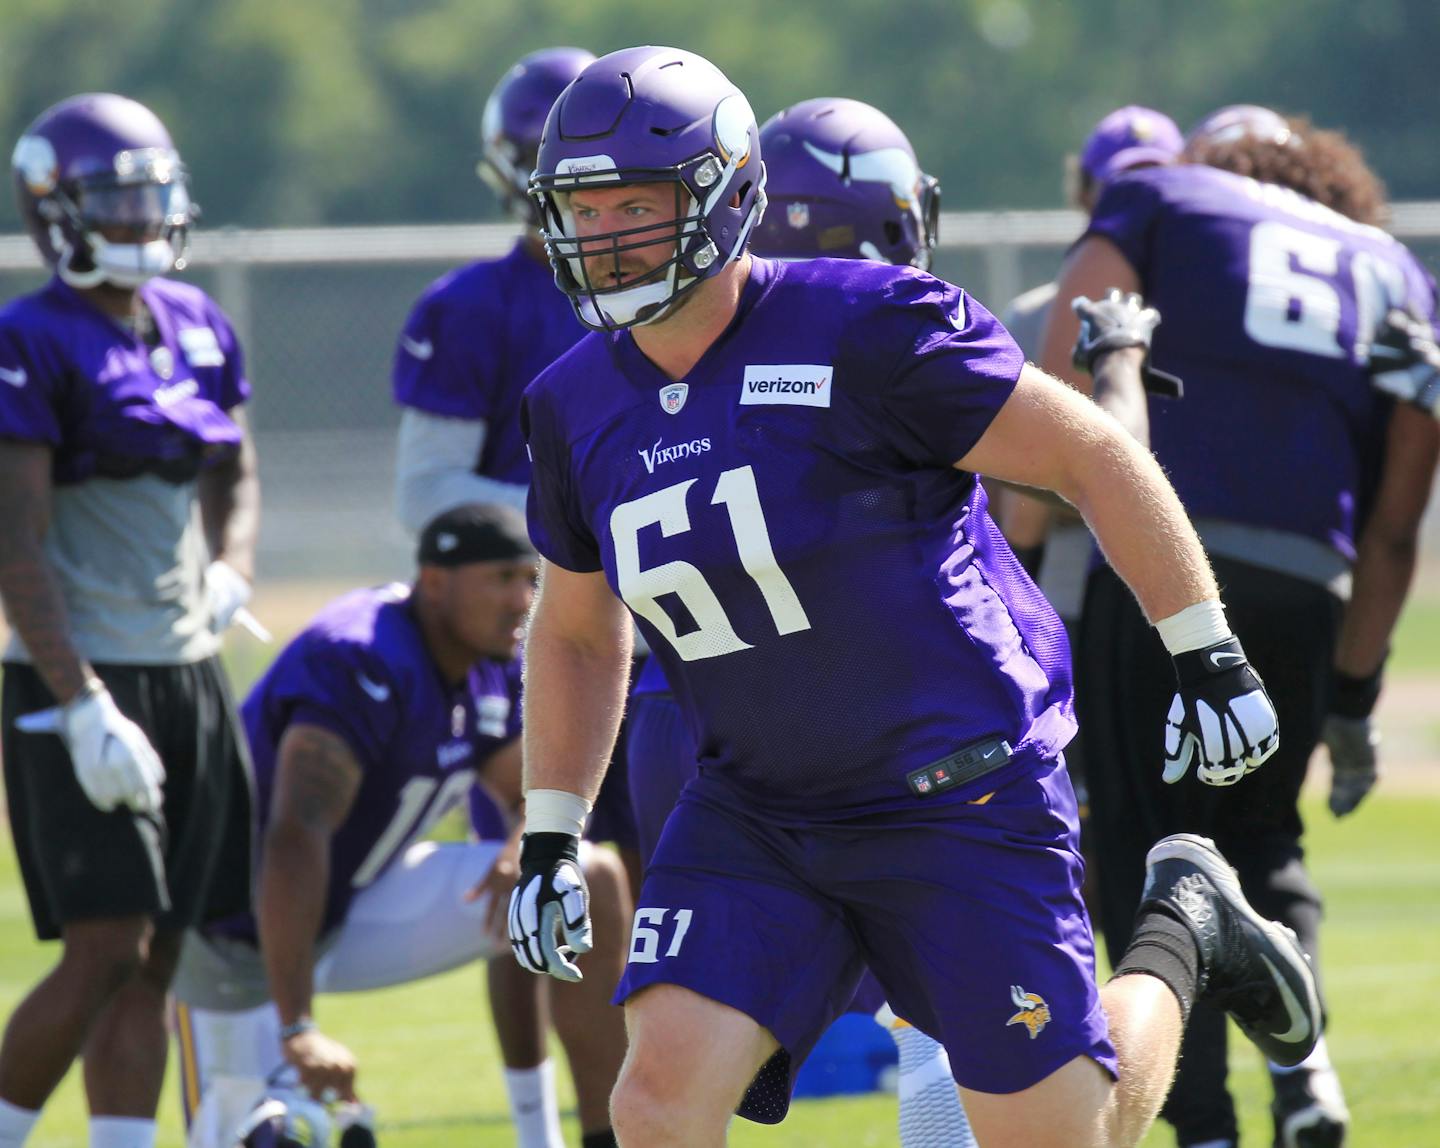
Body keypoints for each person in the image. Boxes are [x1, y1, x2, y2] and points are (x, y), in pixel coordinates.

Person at [504, 46, 1320, 1148]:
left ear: (729, 194)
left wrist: (1204, 646)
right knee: (654, 1103)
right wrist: (553, 828)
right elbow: (575, 629)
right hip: (757, 806)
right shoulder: (571, 404)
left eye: (637, 206)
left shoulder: (866, 327)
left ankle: (1186, 928)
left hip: (957, 788)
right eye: (582, 208)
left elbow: (1090, 453)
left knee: (1065, 1132)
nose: (605, 237)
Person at [1036, 104, 1440, 1148]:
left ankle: (1204, 1129)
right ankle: (1305, 1071)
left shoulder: (1163, 195)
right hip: (1311, 581)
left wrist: (1022, 582)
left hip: (1167, 567)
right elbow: (1396, 527)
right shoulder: (1387, 263)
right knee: (1265, 837)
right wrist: (1352, 696)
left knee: (1144, 854)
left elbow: (1066, 388)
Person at [624, 94, 974, 1148]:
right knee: (960, 1022)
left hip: (679, 722)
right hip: (866, 722)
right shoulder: (900, 348)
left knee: (677, 1086)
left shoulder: (650, 351)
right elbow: (1059, 484)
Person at [169, 505, 629, 1148]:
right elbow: (295, 838)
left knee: (585, 878)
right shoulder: (360, 655)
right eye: (502, 578)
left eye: (532, 579)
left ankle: (588, 1139)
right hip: (237, 932)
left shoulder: (489, 657)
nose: (524, 599)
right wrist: (297, 1024)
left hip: (356, 903)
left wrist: (527, 847)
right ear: (435, 582)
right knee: (260, 1138)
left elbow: (524, 791)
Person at [390, 48, 642, 1145]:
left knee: (660, 881)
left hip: (678, 629)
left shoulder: (674, 287)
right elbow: (425, 491)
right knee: (543, 887)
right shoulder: (476, 304)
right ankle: (562, 1125)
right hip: (540, 629)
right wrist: (581, 503)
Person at [0, 93, 258, 1148]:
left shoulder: (198, 322)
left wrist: (231, 568)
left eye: (154, 199)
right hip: (84, 675)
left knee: (161, 951)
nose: (146, 222)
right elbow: (16, 541)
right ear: (57, 212)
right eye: (119, 201)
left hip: (188, 666)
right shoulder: (30, 338)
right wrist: (81, 700)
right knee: (104, 943)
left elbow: (233, 468)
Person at [998, 107, 1185, 869]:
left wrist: (1020, 599)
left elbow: (1023, 494)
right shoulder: (1216, 306)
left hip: (1084, 587)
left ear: (1086, 194)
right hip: (1193, 580)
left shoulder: (1049, 309)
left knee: (1092, 804)